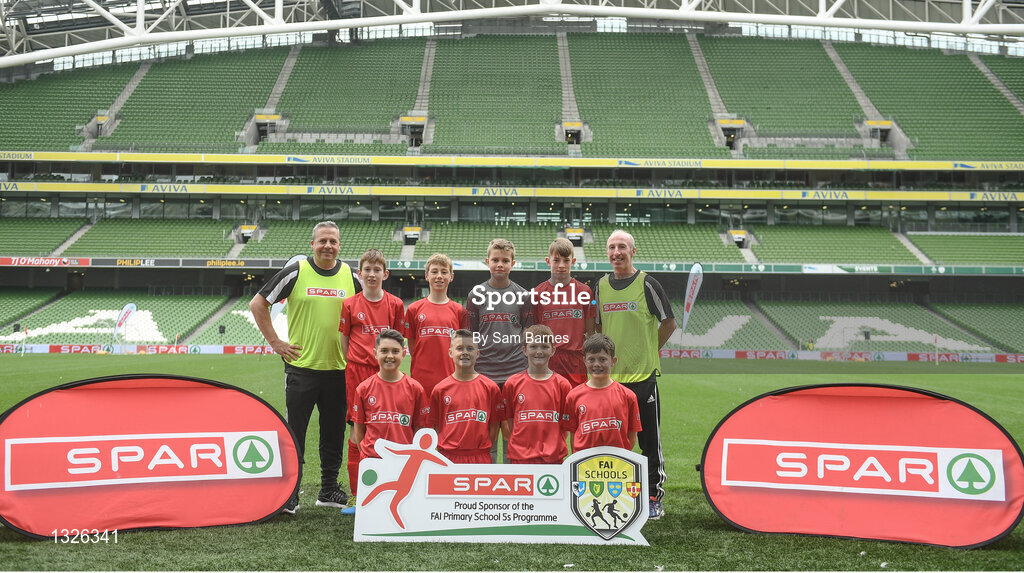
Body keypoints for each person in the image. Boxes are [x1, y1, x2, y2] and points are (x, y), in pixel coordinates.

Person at [249, 221, 362, 514]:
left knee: (333, 433)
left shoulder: (352, 276)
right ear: (312, 244)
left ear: (340, 245)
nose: (328, 246)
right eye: (322, 240)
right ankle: (290, 493)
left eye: (333, 241)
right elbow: (258, 303)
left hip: (340, 370)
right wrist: (276, 342)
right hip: (302, 369)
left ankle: (328, 489)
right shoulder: (297, 272)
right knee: (294, 432)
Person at [594, 229, 676, 520]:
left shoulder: (648, 283)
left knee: (649, 441)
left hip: (643, 379)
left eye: (622, 247)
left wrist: (651, 350)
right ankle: (611, 491)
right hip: (611, 381)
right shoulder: (600, 285)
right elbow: (599, 328)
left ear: (633, 251)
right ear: (607, 252)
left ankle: (653, 496)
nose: (616, 252)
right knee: (613, 440)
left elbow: (668, 322)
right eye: (611, 247)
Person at [339, 249, 405, 500]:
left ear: (385, 274)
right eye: (367, 269)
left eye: (377, 270)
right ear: (359, 274)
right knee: (358, 431)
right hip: (357, 373)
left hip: (386, 372)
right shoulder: (349, 304)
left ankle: (391, 485)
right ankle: (358, 492)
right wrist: (356, 361)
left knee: (389, 425)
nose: (372, 274)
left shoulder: (396, 304)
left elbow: (398, 341)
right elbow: (344, 340)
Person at [346, 329, 428, 516]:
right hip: (373, 461)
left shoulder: (415, 388)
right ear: (375, 353)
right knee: (373, 512)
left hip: (403, 463)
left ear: (404, 353)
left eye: (395, 351)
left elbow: (419, 429)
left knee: (402, 510)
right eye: (384, 351)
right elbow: (359, 431)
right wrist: (368, 454)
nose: (389, 356)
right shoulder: (363, 388)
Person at [466, 238, 533, 462]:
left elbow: (527, 333)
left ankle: (512, 475)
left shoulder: (523, 295)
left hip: (516, 372)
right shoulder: (476, 295)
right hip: (485, 373)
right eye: (495, 260)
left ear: (513, 263)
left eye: (505, 260)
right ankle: (490, 474)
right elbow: (472, 333)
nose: (500, 265)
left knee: (514, 430)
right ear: (487, 261)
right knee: (487, 429)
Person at [501, 324, 573, 464]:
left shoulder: (563, 385)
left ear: (553, 350)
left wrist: (551, 446)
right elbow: (510, 423)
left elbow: (565, 428)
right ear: (524, 350)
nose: (539, 351)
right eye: (533, 346)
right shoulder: (512, 383)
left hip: (553, 460)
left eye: (544, 347)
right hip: (521, 459)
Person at [429, 329, 504, 463]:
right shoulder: (440, 389)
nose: (465, 353)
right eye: (459, 348)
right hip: (448, 457)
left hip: (480, 457)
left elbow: (494, 427)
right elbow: (436, 426)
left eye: (470, 348)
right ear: (450, 353)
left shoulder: (490, 388)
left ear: (477, 353)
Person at [561, 333, 641, 454]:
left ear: (613, 361)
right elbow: (574, 435)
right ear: (584, 361)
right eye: (591, 359)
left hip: (617, 464)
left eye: (602, 359)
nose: (597, 364)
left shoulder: (628, 396)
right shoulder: (573, 396)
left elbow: (631, 437)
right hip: (585, 465)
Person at [531, 237, 596, 387]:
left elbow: (590, 333)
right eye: (556, 260)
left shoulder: (585, 292)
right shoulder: (537, 293)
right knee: (550, 406)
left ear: (573, 262)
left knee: (575, 404)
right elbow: (534, 331)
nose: (561, 265)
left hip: (576, 360)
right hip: (548, 358)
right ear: (548, 261)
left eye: (566, 261)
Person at [404, 253, 467, 400]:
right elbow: (413, 346)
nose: (439, 276)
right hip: (421, 381)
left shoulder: (459, 311)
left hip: (450, 380)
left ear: (451, 276)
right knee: (422, 423)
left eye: (444, 272)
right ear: (426, 276)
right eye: (434, 271)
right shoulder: (414, 309)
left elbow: (463, 347)